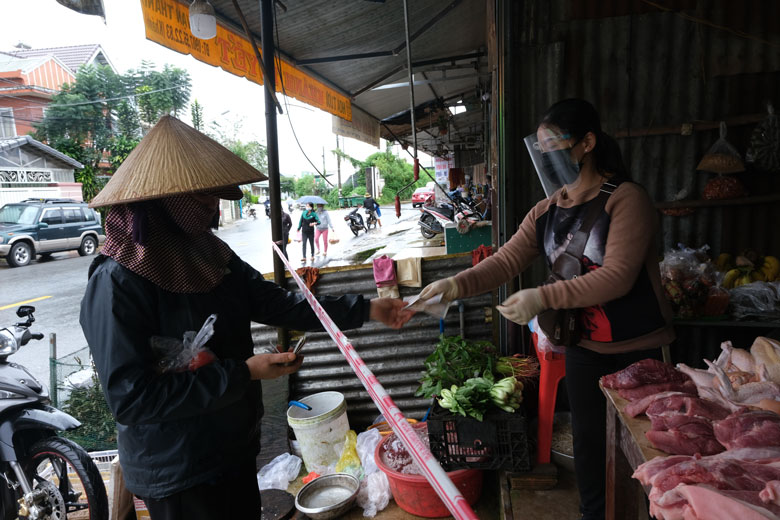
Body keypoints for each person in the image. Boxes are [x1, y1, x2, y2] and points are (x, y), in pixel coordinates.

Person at [79, 116, 414, 520]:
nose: (214, 208)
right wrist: (244, 373)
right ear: (166, 201)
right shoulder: (117, 281)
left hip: (233, 449)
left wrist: (365, 308)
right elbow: (132, 399)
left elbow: (280, 303)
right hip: (177, 468)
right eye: (202, 199)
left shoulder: (212, 255)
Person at [418, 99, 674, 520]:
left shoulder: (625, 200)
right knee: (592, 451)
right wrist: (454, 285)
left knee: (651, 457)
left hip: (639, 350)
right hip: (583, 349)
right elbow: (504, 261)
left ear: (587, 142)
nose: (548, 156)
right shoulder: (549, 209)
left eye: (555, 144)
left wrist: (542, 297)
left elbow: (618, 277)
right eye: (541, 149)